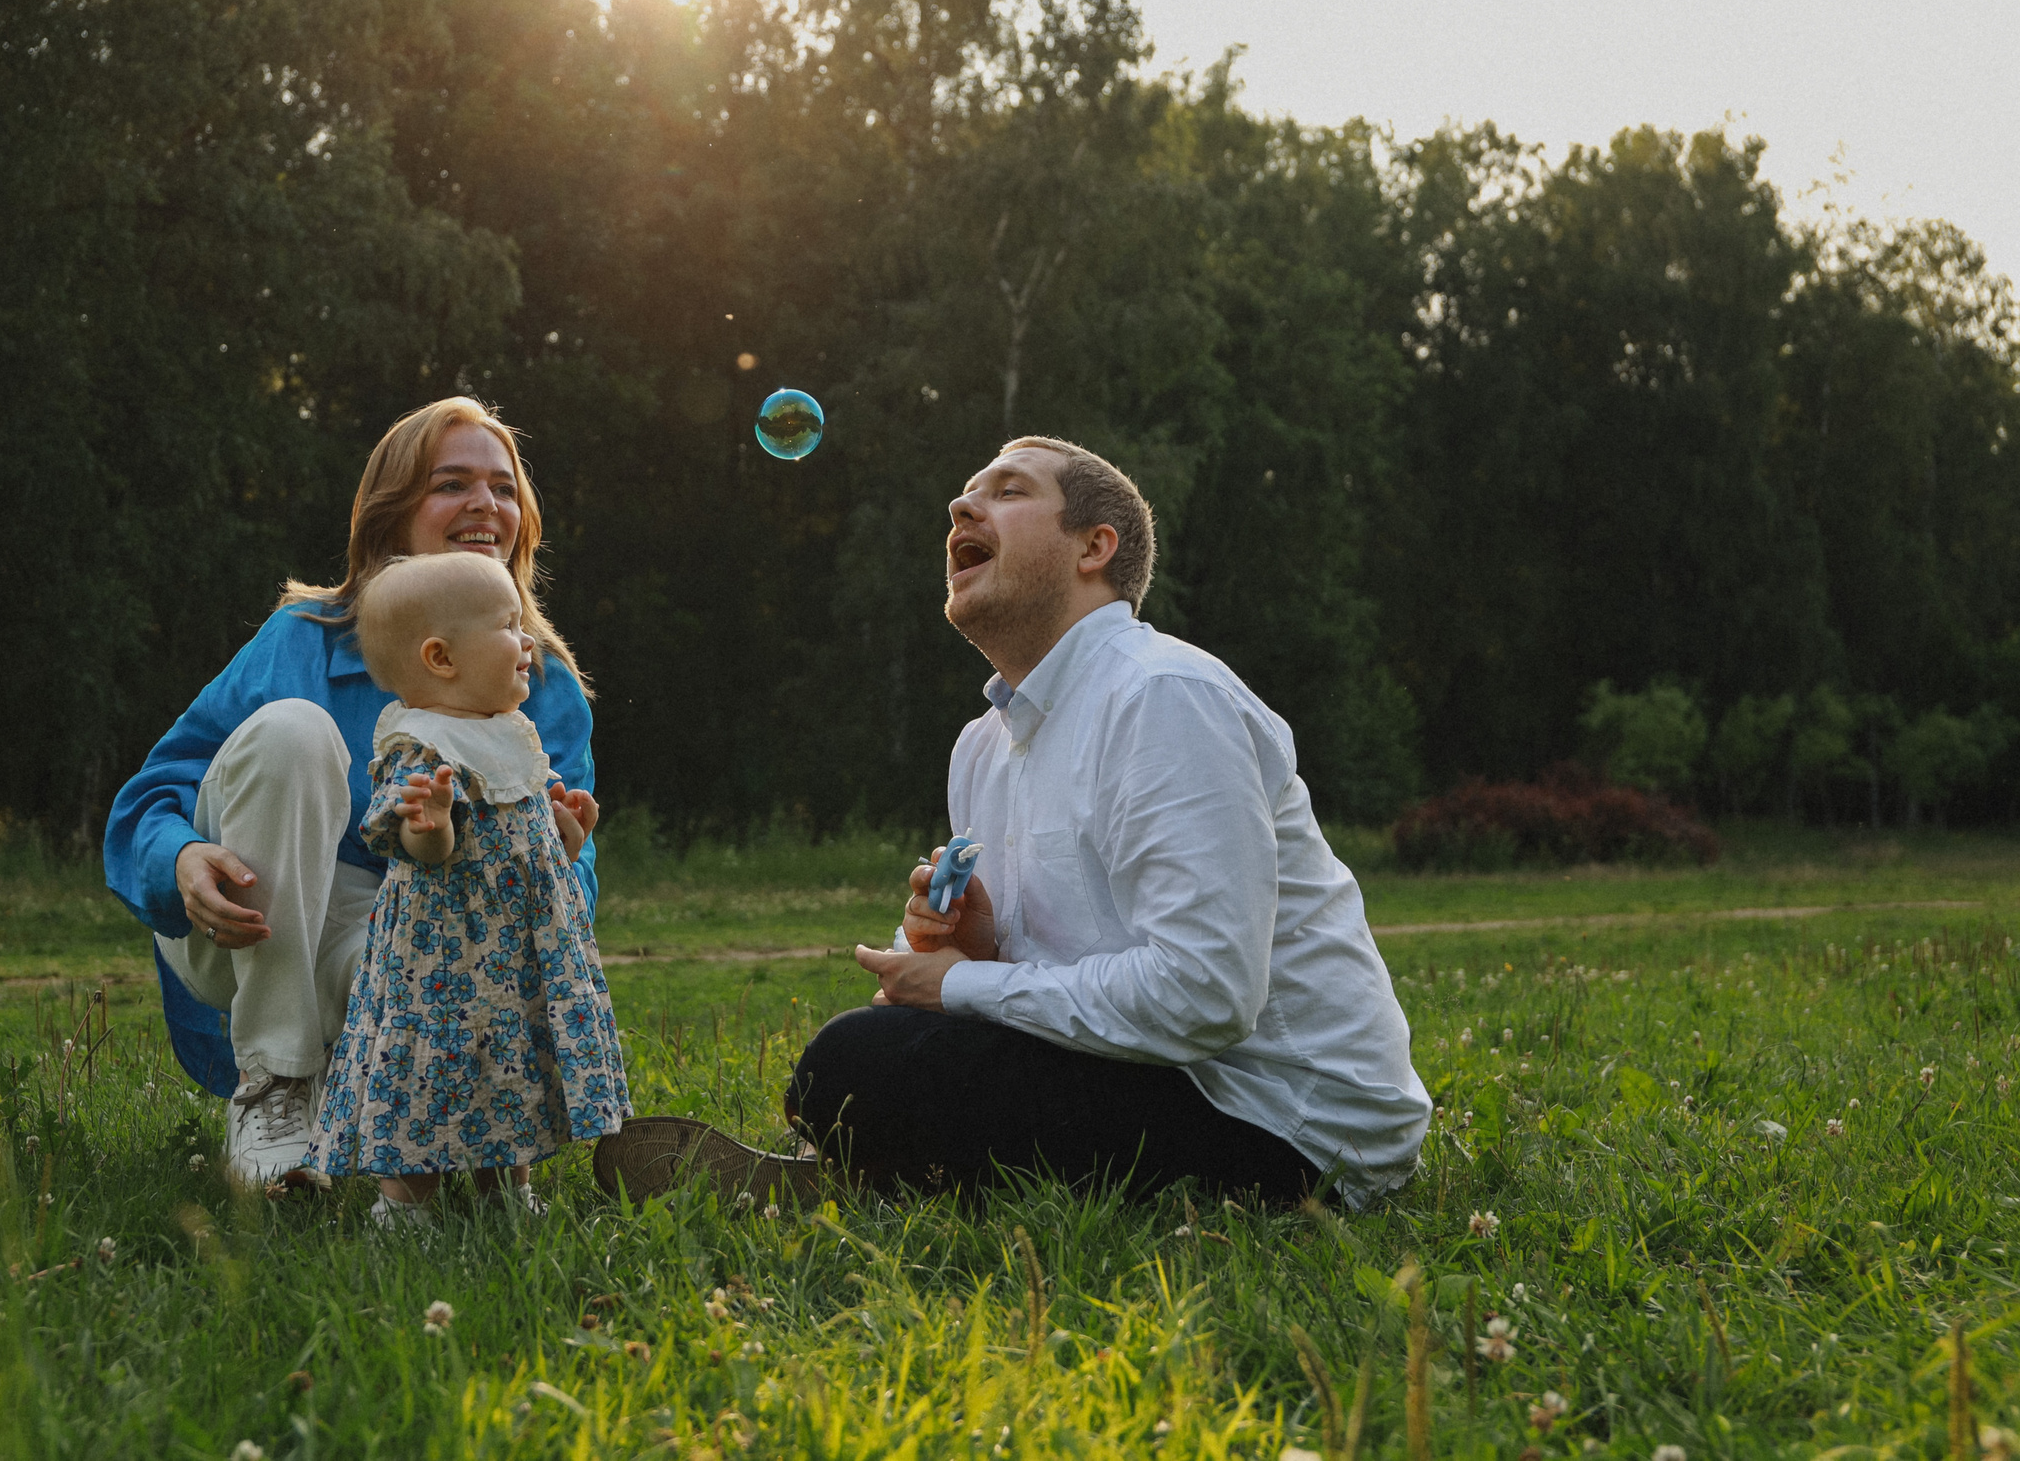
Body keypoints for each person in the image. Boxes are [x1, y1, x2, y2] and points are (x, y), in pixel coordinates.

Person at [598, 436, 1429, 1210]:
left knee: (854, 1064)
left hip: (1290, 1124)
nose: (962, 510)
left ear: (1093, 547)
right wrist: (972, 950)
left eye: (1006, 491)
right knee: (869, 1057)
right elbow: (1075, 982)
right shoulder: (982, 744)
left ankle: (874, 1173)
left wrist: (962, 985)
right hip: (1165, 1075)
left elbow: (1205, 993)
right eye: (963, 498)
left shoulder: (1163, 696)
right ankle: (880, 1167)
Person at [102, 399, 600, 1184]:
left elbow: (572, 882)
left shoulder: (538, 683)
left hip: (404, 936)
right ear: (392, 515)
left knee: (439, 947)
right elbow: (152, 794)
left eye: (504, 489)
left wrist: (553, 855)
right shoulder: (303, 637)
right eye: (453, 483)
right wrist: (181, 858)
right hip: (243, 912)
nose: (485, 504)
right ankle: (275, 1082)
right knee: (295, 730)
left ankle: (387, 1119)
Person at [307, 551, 627, 1224]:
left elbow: (528, 840)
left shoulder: (508, 732)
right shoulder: (422, 748)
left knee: (507, 1066)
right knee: (429, 1070)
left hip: (510, 961)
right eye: (509, 626)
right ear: (442, 657)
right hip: (442, 970)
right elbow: (421, 848)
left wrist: (565, 836)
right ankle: (404, 1205)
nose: (529, 640)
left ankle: (505, 1186)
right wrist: (430, 826)